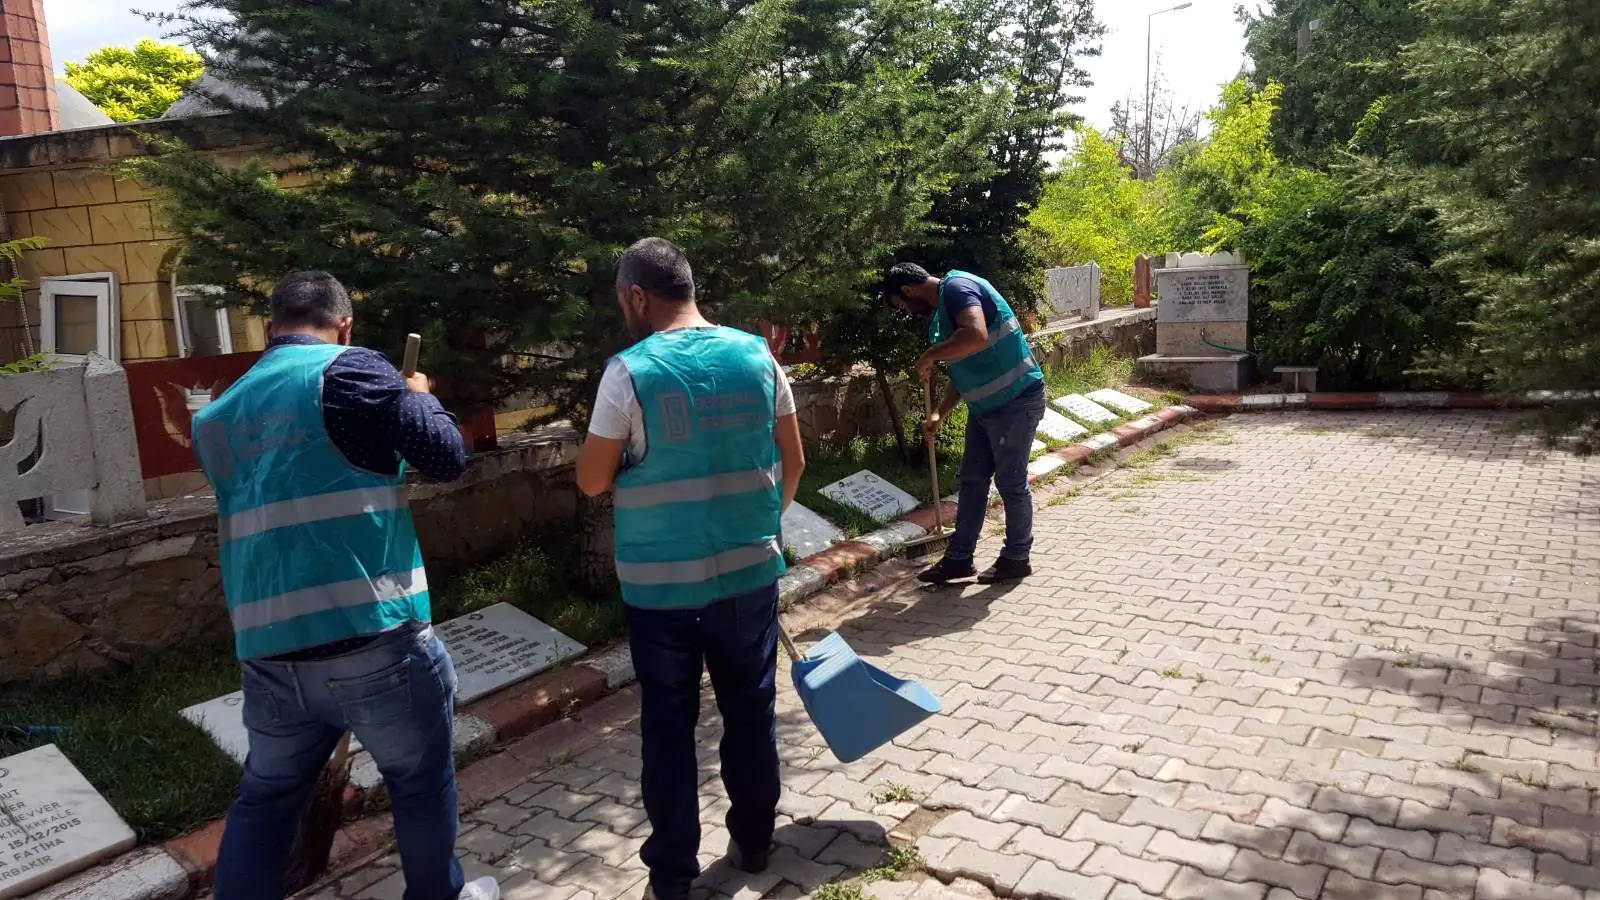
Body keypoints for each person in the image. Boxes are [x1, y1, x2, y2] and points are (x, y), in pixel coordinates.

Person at [191, 271, 497, 900]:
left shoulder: (217, 415)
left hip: (269, 652)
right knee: (418, 781)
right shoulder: (350, 371)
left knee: (267, 799)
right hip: (373, 639)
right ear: (344, 325)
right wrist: (416, 394)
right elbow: (445, 455)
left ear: (271, 328)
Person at [575, 238, 806, 900]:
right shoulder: (758, 356)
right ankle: (757, 843)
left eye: (624, 300)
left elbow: (593, 481)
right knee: (751, 712)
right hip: (747, 578)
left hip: (661, 592)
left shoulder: (629, 372)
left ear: (638, 297)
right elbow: (793, 464)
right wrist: (760, 524)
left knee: (669, 731)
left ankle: (673, 876)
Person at [882, 262, 1046, 585]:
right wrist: (939, 413)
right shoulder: (944, 314)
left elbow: (976, 334)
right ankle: (959, 559)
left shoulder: (957, 288)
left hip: (1015, 402)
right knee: (972, 481)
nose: (906, 312)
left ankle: (1016, 557)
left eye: (902, 305)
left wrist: (931, 354)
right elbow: (963, 371)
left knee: (1011, 482)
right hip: (985, 408)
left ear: (908, 290)